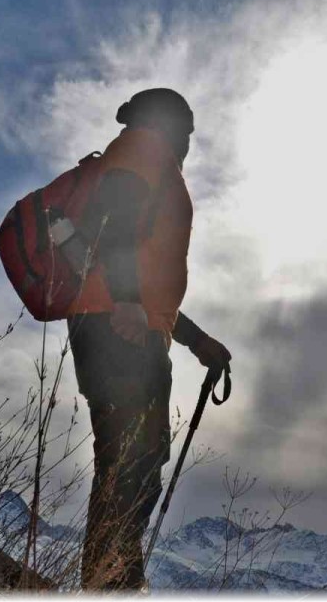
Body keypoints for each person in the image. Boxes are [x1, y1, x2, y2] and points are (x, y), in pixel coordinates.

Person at [66, 88, 232, 590]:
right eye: (186, 128)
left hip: (121, 326)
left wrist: (197, 340)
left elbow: (147, 280)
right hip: (119, 332)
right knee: (130, 464)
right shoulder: (143, 148)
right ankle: (110, 585)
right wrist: (127, 302)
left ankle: (112, 579)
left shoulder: (147, 158)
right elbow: (112, 225)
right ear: (170, 123)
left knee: (131, 462)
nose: (188, 139)